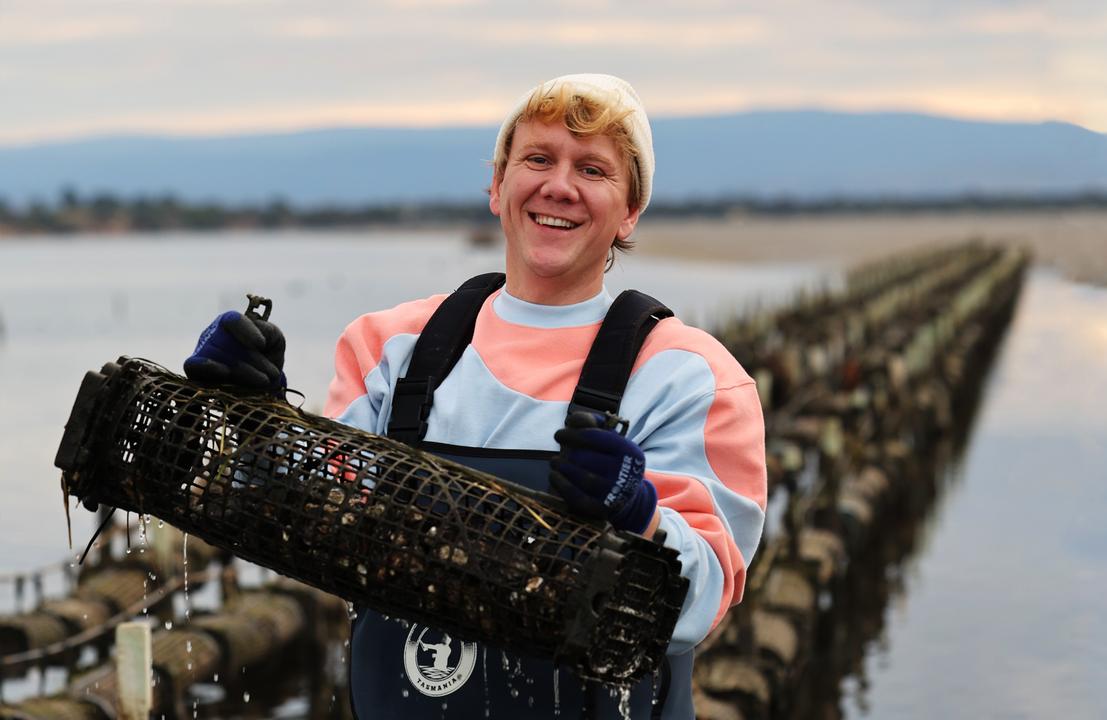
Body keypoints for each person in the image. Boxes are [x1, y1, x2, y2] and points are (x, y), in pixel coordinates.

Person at [185, 73, 767, 719]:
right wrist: (257, 424)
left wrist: (642, 517)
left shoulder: (689, 375)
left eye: (594, 169)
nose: (559, 186)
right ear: (497, 185)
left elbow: (702, 602)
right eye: (537, 159)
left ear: (630, 209)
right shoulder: (391, 347)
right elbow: (319, 522)